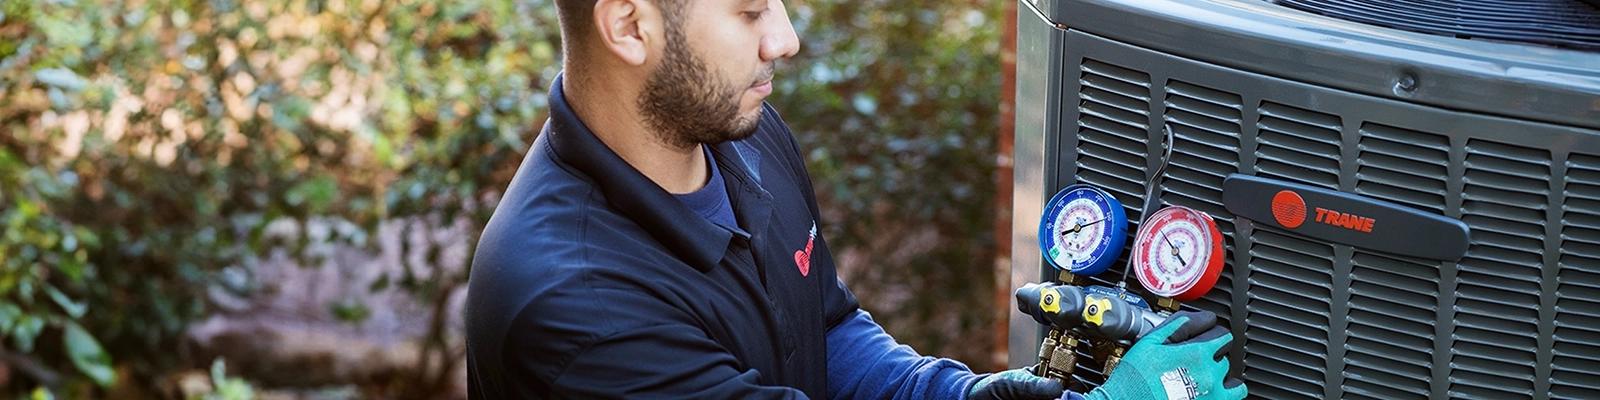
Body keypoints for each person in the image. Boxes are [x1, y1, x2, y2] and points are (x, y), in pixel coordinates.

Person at [463, 0, 1246, 398]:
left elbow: (825, 331)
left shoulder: (738, 133)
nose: (784, 38)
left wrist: (961, 395)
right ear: (629, 25)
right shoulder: (576, 309)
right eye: (748, 11)